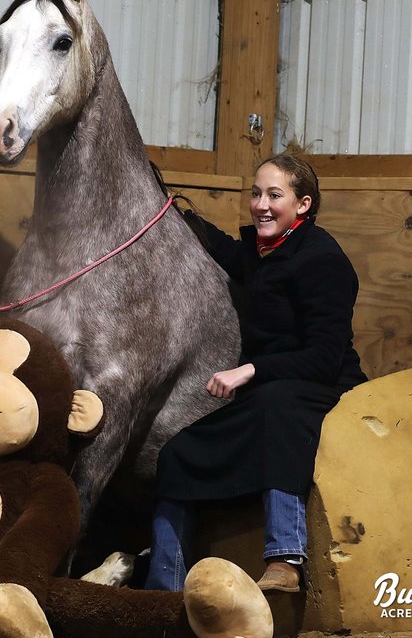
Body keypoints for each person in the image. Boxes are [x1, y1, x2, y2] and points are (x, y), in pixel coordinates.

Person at [145, 152, 367, 593]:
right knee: (176, 453)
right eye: (256, 193)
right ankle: (163, 586)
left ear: (303, 205)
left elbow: (323, 359)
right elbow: (228, 251)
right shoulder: (263, 252)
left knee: (275, 404)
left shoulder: (323, 260)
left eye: (274, 195)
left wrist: (249, 370)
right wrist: (170, 209)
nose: (261, 204)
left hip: (324, 389)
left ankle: (286, 557)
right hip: (271, 390)